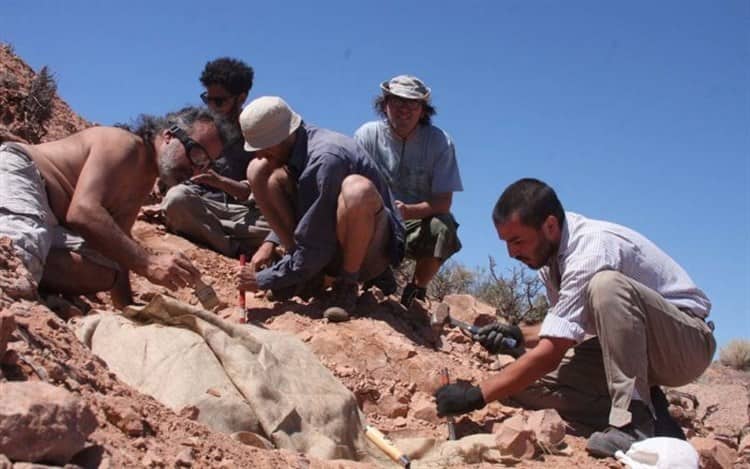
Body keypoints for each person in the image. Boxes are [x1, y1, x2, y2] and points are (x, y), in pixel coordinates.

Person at [434, 178, 715, 458]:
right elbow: (566, 326)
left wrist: (474, 396)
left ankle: (633, 423)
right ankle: (651, 416)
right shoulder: (549, 259)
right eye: (507, 243)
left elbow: (553, 350)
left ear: (550, 226)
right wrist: (517, 334)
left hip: (685, 344)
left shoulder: (590, 250)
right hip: (635, 349)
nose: (511, 252)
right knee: (525, 386)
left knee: (606, 286)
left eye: (518, 241)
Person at [0, 106, 232, 308]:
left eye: (205, 164)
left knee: (105, 272)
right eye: (196, 153)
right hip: (24, 174)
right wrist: (148, 262)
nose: (196, 169)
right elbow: (82, 213)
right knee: (20, 254)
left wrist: (128, 307)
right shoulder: (124, 145)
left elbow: (118, 244)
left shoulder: (144, 179)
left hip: (48, 218)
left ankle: (27, 266)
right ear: (169, 136)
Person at [235, 96, 405, 322]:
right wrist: (271, 243)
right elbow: (311, 213)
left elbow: (317, 243)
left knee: (357, 190)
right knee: (258, 170)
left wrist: (263, 279)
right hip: (326, 241)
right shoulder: (297, 146)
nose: (258, 153)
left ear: (279, 139)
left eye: (262, 147)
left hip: (371, 251)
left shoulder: (325, 158)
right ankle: (309, 276)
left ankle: (346, 285)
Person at [354, 75, 463, 306]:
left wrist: (407, 211)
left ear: (423, 110)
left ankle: (416, 290)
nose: (404, 109)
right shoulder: (366, 135)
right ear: (384, 105)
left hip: (416, 222)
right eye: (397, 102)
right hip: (375, 218)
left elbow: (443, 202)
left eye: (412, 103)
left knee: (444, 227)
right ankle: (368, 275)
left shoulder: (440, 142)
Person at [161, 57, 270, 257]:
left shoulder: (256, 133)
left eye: (219, 101)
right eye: (207, 99)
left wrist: (219, 182)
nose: (212, 106)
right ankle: (236, 250)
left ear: (241, 97)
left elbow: (256, 191)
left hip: (243, 214)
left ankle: (215, 238)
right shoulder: (197, 127)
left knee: (279, 224)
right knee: (176, 200)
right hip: (199, 205)